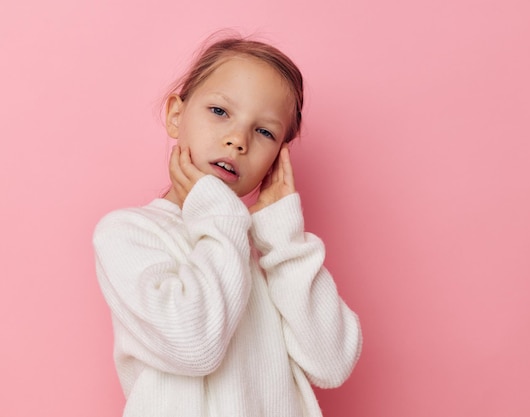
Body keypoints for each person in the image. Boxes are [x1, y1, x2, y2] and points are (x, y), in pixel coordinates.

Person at [93, 35, 362, 417]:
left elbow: (332, 364)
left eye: (265, 132)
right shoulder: (128, 233)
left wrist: (283, 242)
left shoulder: (272, 253)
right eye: (219, 111)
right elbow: (194, 345)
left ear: (277, 159)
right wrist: (218, 216)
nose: (238, 140)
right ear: (175, 114)